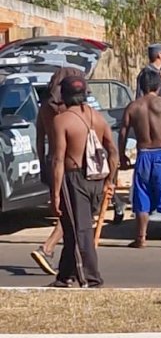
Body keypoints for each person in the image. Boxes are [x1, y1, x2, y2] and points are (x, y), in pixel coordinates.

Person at [50, 75, 117, 288]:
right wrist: (110, 180)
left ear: (64, 95)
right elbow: (113, 151)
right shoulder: (98, 117)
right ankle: (64, 277)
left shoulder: (61, 120)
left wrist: (55, 193)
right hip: (96, 179)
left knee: (82, 230)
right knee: (73, 228)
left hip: (74, 178)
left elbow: (58, 159)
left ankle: (91, 278)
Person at [119, 67, 161, 248]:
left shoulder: (133, 106)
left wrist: (122, 156)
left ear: (141, 87)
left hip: (143, 155)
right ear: (158, 86)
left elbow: (123, 133)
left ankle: (140, 238)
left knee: (142, 196)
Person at [30, 82, 67, 276]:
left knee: (66, 211)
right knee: (71, 212)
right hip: (67, 162)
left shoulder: (43, 109)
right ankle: (47, 247)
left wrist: (42, 162)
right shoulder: (64, 109)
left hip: (51, 159)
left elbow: (39, 139)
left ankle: (64, 257)